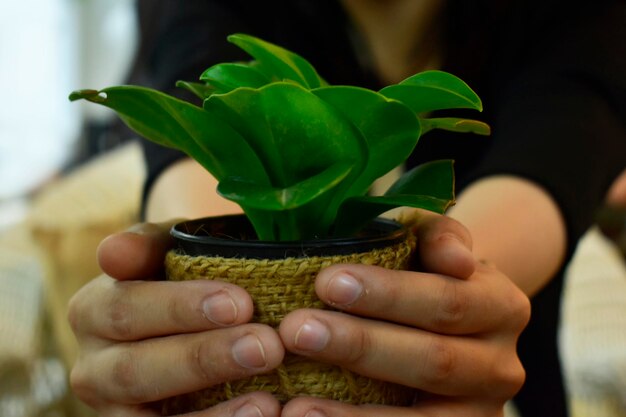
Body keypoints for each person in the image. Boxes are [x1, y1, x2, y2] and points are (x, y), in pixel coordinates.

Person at [67, 0, 626, 416]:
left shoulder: (575, 16)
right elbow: (196, 133)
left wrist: (446, 309)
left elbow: (557, 160)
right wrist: (190, 312)